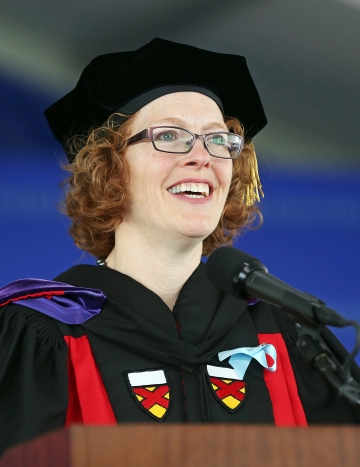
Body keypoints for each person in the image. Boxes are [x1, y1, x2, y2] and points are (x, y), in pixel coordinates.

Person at [0, 38, 359, 456]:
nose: (202, 157)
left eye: (218, 140)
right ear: (108, 167)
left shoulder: (287, 335)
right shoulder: (41, 334)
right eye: (170, 135)